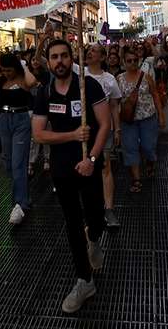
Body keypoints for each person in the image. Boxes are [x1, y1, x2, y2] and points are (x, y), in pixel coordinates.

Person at [32, 39, 112, 314]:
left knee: (94, 217)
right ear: (49, 61)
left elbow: (105, 125)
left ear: (72, 58)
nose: (60, 61)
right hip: (62, 168)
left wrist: (91, 158)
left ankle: (95, 239)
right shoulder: (44, 93)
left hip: (88, 164)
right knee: (72, 224)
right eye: (54, 57)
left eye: (64, 55)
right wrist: (72, 136)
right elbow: (39, 133)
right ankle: (84, 279)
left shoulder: (88, 86)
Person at [0, 53, 38, 224]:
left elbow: (32, 82)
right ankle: (24, 196)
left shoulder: (23, 79)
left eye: (9, 70)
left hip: (21, 120)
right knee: (8, 160)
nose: (7, 73)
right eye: (4, 70)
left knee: (18, 162)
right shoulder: (0, 79)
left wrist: (23, 66)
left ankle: (19, 204)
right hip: (4, 120)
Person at [84, 44, 123, 229]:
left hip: (104, 128)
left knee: (105, 166)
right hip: (83, 130)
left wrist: (116, 129)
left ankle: (109, 208)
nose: (89, 52)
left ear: (102, 57)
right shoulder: (78, 73)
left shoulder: (109, 79)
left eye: (94, 50)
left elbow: (114, 106)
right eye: (88, 50)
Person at [117, 46, 165, 193]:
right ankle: (136, 179)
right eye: (129, 61)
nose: (132, 63)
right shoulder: (119, 79)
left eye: (135, 60)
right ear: (124, 62)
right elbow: (116, 102)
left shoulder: (146, 77)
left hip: (147, 118)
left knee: (148, 147)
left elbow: (155, 95)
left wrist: (161, 116)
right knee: (130, 149)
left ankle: (150, 162)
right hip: (128, 120)